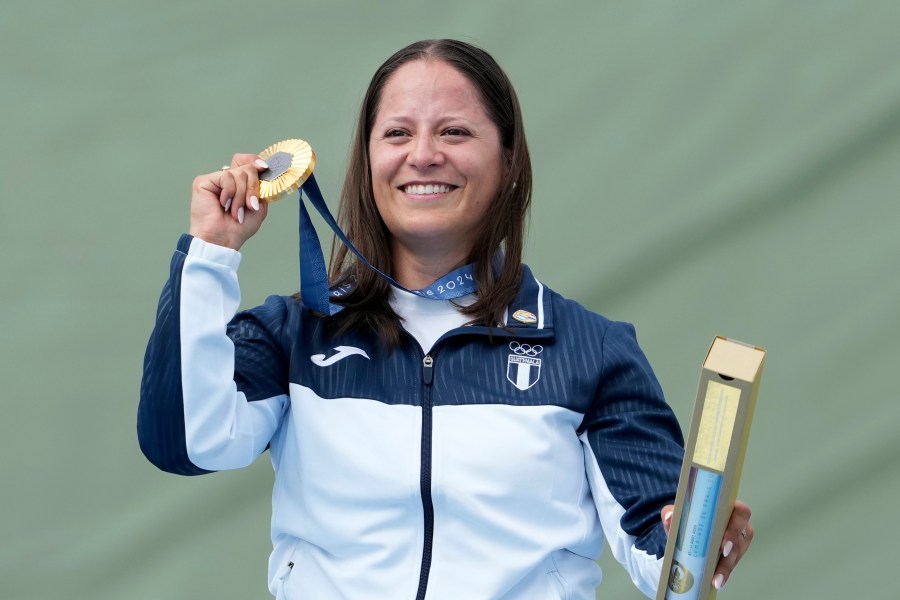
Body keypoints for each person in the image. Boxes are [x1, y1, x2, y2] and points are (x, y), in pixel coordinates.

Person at [138, 39, 753, 599]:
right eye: (398, 134)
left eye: (455, 132)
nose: (424, 156)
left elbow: (663, 555)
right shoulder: (295, 333)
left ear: (509, 161)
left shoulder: (590, 351)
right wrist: (211, 253)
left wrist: (700, 536)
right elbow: (185, 443)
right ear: (368, 160)